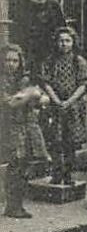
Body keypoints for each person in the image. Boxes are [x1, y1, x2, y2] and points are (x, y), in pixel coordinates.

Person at [35, 26, 87, 185]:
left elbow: (83, 85)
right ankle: (57, 173)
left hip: (73, 107)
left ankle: (68, 174)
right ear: (55, 42)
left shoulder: (78, 61)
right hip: (55, 106)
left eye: (67, 40)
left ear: (73, 42)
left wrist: (69, 101)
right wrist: (57, 101)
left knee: (70, 142)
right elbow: (46, 83)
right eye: (61, 41)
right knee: (55, 141)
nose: (64, 44)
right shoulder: (50, 61)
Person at [3, 44, 52, 218]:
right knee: (15, 164)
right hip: (9, 127)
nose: (11, 64)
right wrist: (30, 94)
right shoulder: (3, 81)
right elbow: (9, 103)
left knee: (24, 164)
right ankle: (12, 205)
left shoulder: (23, 80)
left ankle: (18, 204)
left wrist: (32, 96)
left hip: (27, 126)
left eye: (15, 60)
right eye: (8, 60)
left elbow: (40, 100)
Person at [14, 0, 69, 71]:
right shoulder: (24, 3)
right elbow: (18, 27)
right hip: (27, 46)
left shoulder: (54, 6)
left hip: (48, 48)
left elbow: (62, 28)